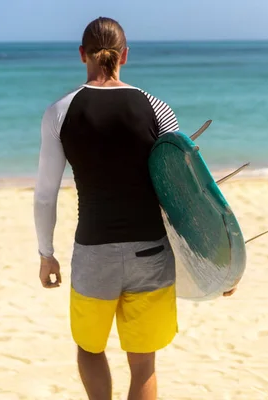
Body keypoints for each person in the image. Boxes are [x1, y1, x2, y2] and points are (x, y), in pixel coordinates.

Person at [33, 16, 237, 400]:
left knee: (90, 348)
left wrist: (47, 254)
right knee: (143, 362)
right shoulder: (156, 108)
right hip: (151, 253)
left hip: (94, 254)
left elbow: (45, 194)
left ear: (82, 55)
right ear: (125, 55)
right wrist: (221, 262)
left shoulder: (59, 112)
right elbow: (189, 195)